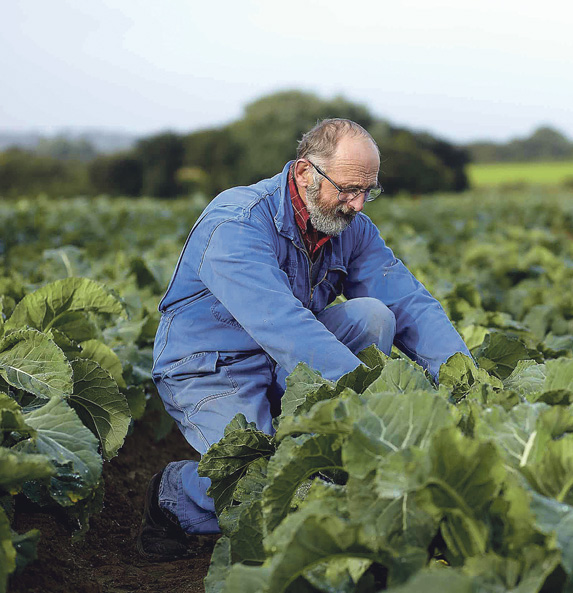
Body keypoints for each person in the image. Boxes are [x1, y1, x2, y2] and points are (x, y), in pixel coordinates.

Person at [136, 119, 471, 560]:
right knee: (263, 483)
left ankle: (322, 454)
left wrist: (466, 381)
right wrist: (374, 406)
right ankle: (173, 494)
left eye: (368, 191)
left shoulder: (349, 227)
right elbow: (284, 326)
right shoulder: (237, 223)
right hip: (212, 367)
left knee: (374, 315)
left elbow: (409, 302)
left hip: (285, 360)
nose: (356, 204)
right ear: (303, 173)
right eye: (348, 189)